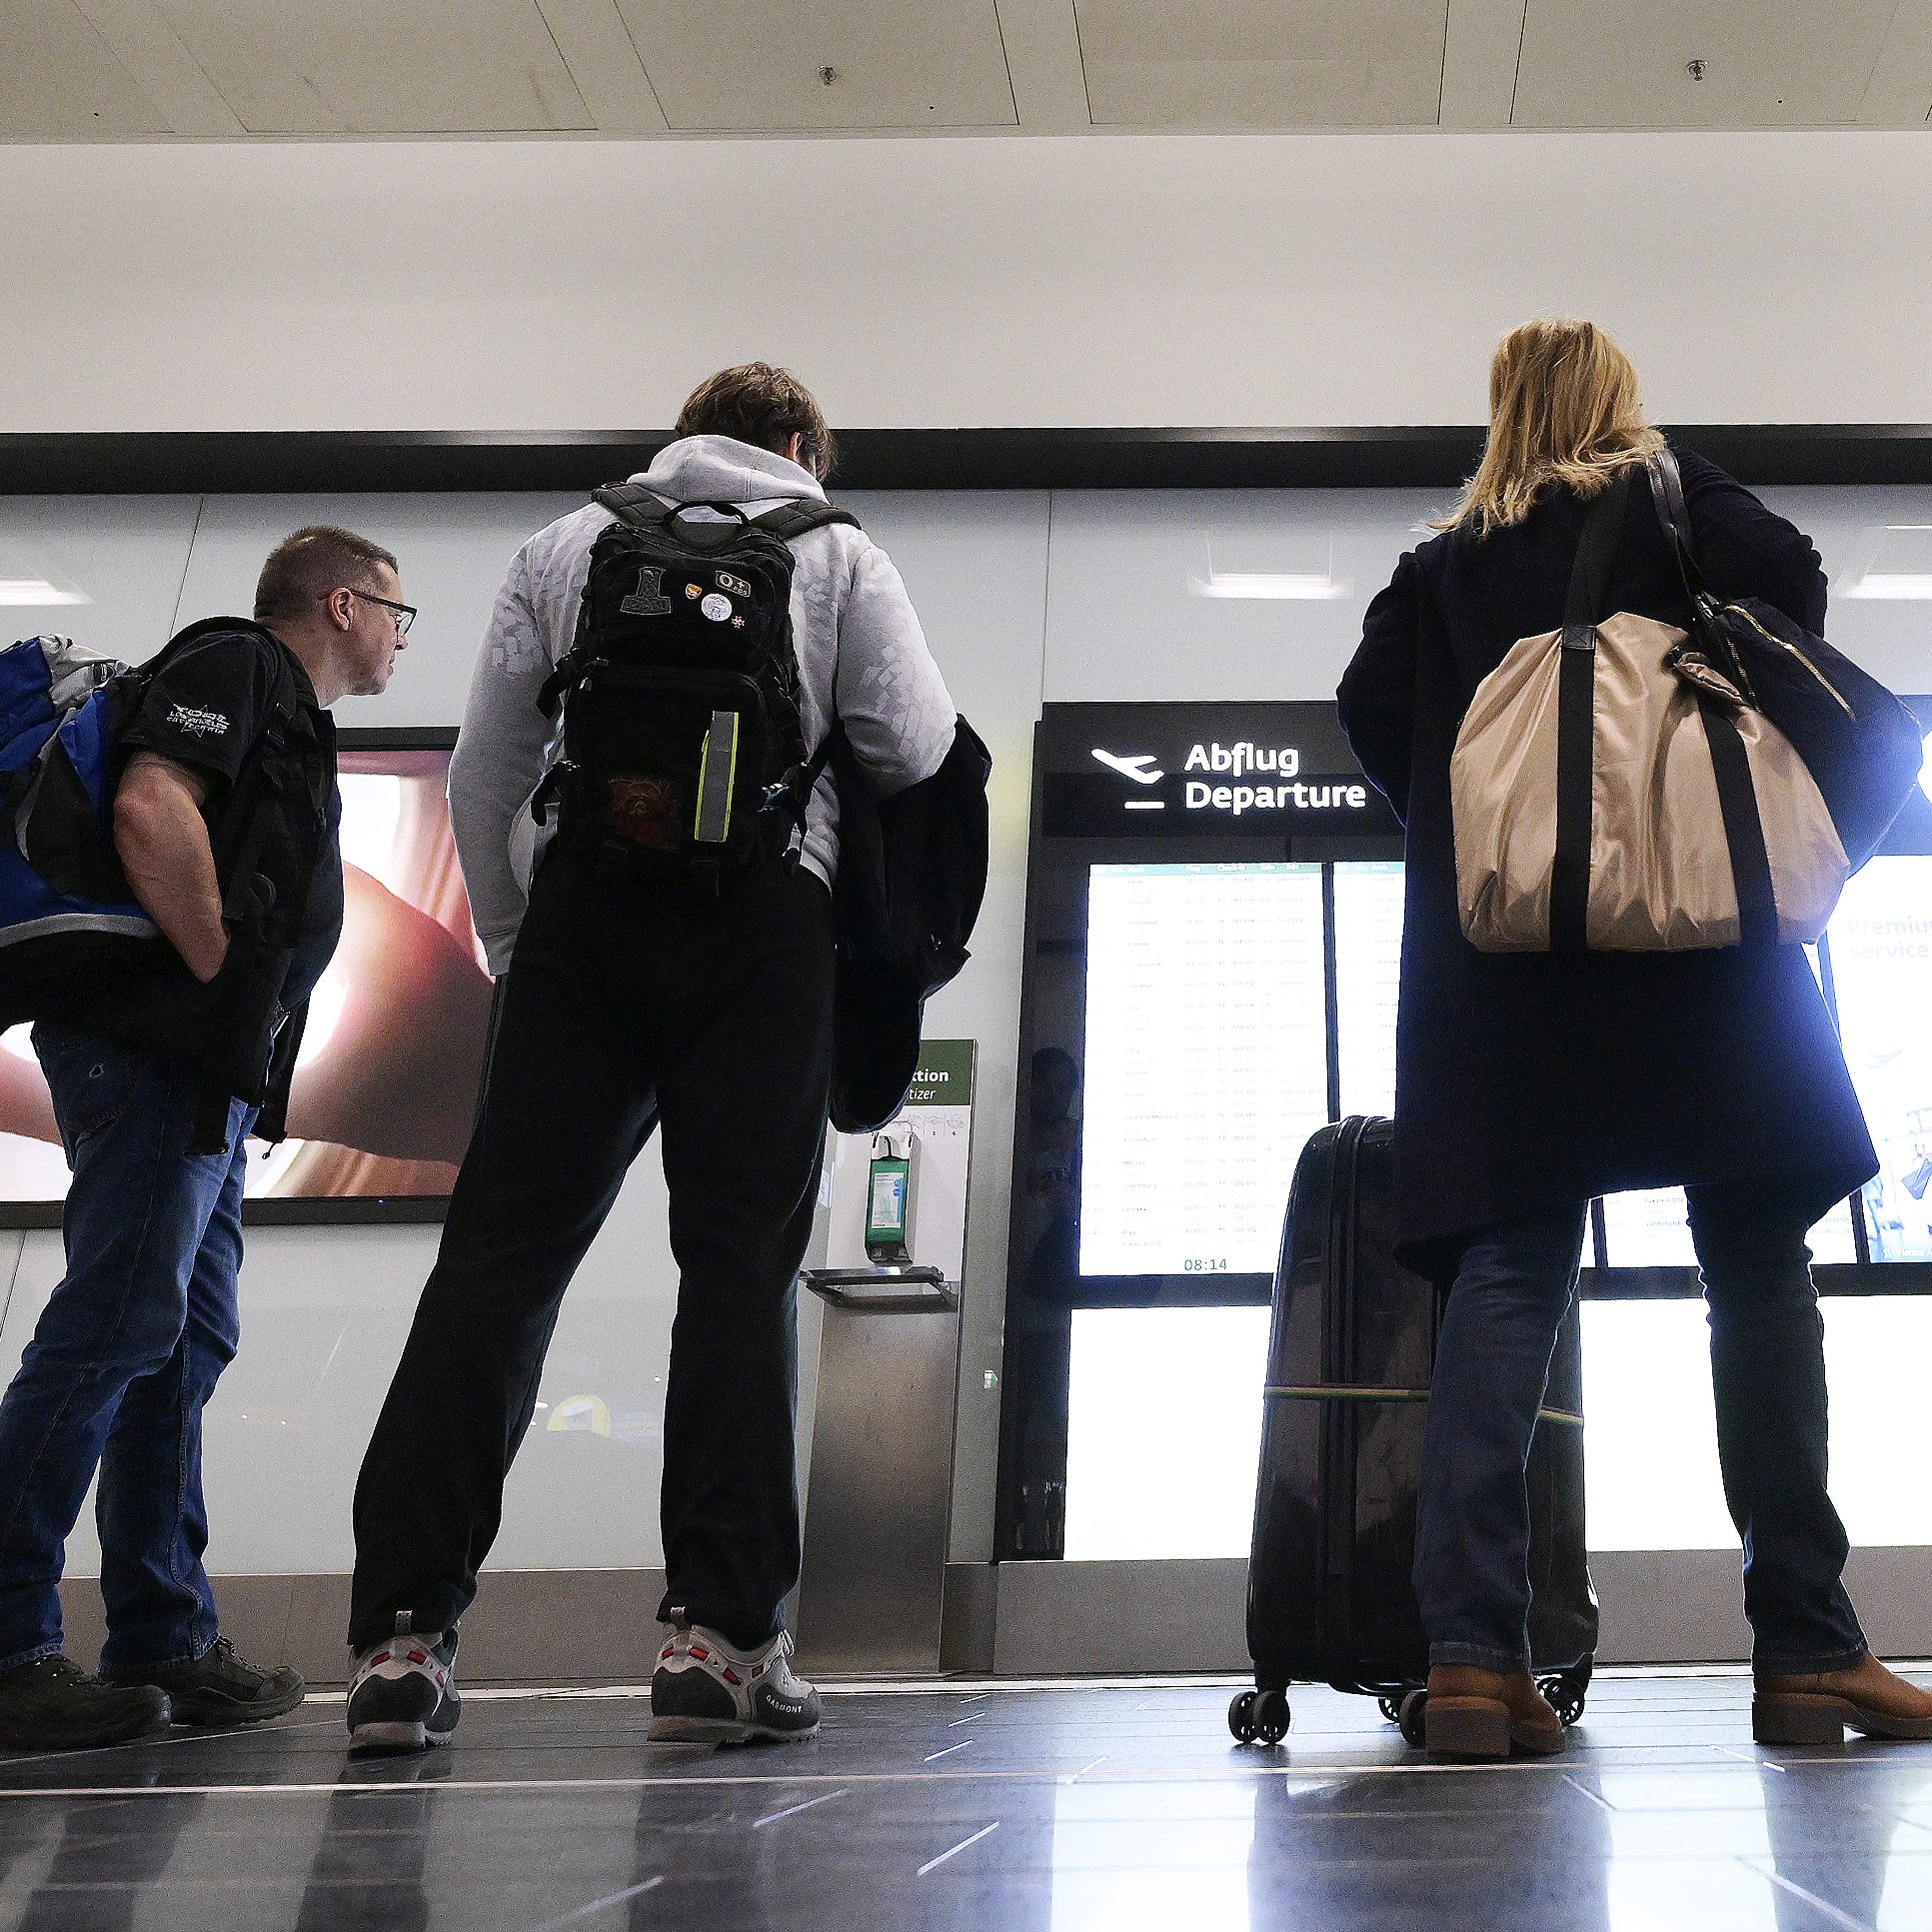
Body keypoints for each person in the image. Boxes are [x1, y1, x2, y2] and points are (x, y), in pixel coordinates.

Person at [1337, 317, 1932, 1758]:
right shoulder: (1677, 507)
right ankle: (1805, 1650)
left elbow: (1370, 712)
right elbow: (1793, 580)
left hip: (1511, 974)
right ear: (1621, 405)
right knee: (1754, 1270)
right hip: (1703, 951)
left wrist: (1517, 843)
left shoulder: (1440, 564)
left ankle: (1476, 1657)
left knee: (1510, 1267)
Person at [345, 363, 958, 1753]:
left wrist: (519, 945)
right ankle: (720, 1641)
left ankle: (400, 1640)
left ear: (686, 427)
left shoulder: (567, 542)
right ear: (801, 443)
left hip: (582, 927)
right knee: (736, 1266)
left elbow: (486, 768)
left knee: (499, 1263)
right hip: (760, 931)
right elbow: (913, 742)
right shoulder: (837, 552)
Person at [0, 526, 410, 1750]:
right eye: (396, 609)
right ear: (342, 604)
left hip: (198, 1073)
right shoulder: (236, 665)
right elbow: (147, 800)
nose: (398, 632)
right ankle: (12, 1640)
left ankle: (163, 1633)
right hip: (153, 1053)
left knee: (179, 1340)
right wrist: (223, 977)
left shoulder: (277, 701)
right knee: (117, 1322)